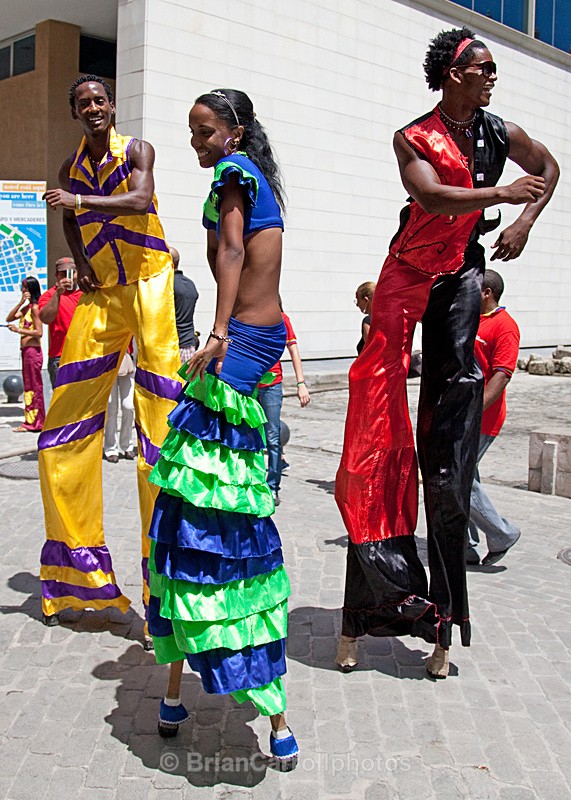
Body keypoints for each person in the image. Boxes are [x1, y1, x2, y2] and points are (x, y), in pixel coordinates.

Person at [334, 27, 559, 679]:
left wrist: (522, 222)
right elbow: (429, 194)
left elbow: (546, 168)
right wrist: (499, 198)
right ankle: (364, 612)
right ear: (453, 74)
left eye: (492, 67)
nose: (491, 76)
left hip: (460, 274)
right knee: (376, 438)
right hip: (406, 276)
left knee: (447, 452)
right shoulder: (413, 134)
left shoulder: (498, 132)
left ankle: (441, 621)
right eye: (482, 67)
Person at [146, 89, 298, 762]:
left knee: (213, 505)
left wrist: (215, 332)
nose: (195, 141)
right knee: (198, 497)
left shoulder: (235, 175)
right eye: (193, 131)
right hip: (248, 340)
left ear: (233, 133)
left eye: (203, 131)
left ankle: (261, 702)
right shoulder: (243, 174)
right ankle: (181, 683)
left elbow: (232, 255)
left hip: (242, 341)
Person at [39, 75, 181, 634]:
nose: (93, 108)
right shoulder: (68, 171)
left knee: (159, 430)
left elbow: (141, 199)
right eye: (83, 103)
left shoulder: (136, 151)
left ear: (112, 106)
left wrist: (79, 201)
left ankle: (164, 593)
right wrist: (83, 268)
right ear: (75, 112)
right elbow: (71, 224)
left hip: (149, 283)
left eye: (99, 100)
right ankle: (77, 577)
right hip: (107, 292)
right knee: (63, 426)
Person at [466, 269, 521, 566]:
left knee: (459, 479)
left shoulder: (505, 326)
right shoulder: (474, 319)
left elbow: (501, 376)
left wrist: (474, 413)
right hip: (463, 414)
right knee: (465, 476)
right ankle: (467, 545)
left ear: (487, 293)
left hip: (483, 419)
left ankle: (501, 533)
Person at [257, 305, 311, 506]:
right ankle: (252, 482)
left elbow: (293, 350)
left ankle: (272, 487)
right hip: (249, 383)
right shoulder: (248, 314)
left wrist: (300, 383)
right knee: (250, 435)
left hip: (272, 384)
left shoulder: (281, 318)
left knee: (272, 436)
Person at [6, 276, 45, 432]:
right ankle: (30, 419)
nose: (22, 290)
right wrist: (21, 302)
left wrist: (19, 330)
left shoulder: (35, 308)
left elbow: (39, 332)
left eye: (24, 287)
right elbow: (9, 318)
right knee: (29, 386)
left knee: (35, 387)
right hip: (25, 352)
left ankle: (37, 421)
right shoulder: (26, 308)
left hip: (33, 352)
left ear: (30, 289)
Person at [38, 257, 82, 389]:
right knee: (61, 402)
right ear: (57, 275)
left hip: (82, 354)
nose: (68, 277)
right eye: (63, 273)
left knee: (82, 403)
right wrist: (58, 294)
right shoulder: (49, 295)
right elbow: (45, 318)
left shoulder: (85, 294)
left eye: (71, 272)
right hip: (60, 356)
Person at [103, 340, 136, 463]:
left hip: (127, 361)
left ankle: (127, 445)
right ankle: (111, 448)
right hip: (107, 361)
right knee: (111, 408)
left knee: (129, 406)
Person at [170, 246, 200, 363]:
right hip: (189, 344)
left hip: (172, 346)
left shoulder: (167, 285)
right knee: (186, 381)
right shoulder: (190, 283)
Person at [355, 281, 376, 355]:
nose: (357, 304)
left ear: (366, 300)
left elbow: (371, 350)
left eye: (358, 300)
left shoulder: (368, 321)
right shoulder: (388, 317)